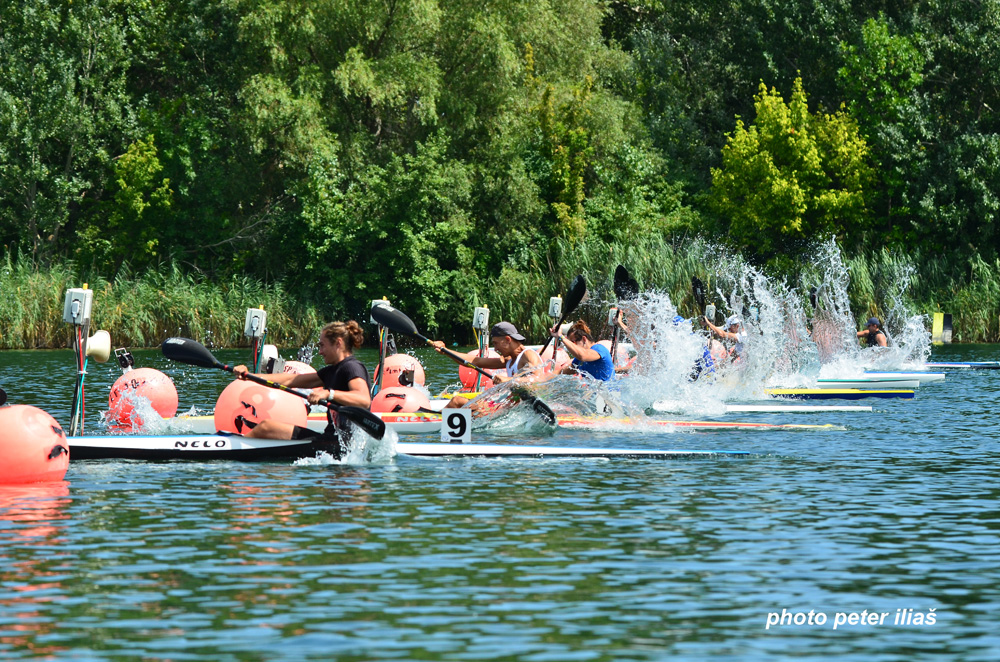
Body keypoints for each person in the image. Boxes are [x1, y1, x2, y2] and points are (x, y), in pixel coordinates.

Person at [232, 320, 371, 456]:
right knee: (266, 427)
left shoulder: (351, 367)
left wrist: (328, 394)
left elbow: (363, 399)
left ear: (338, 343)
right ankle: (237, 445)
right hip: (332, 440)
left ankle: (233, 450)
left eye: (322, 345)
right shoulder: (330, 371)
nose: (320, 352)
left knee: (266, 427)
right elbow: (290, 380)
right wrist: (249, 376)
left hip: (343, 445)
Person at [431, 321, 542, 407]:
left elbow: (538, 380)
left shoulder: (528, 355)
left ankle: (436, 418)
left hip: (520, 408)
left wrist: (508, 380)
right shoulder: (509, 359)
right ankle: (438, 416)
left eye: (496, 343)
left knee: (457, 401)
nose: (496, 349)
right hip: (509, 406)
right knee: (457, 401)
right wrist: (446, 351)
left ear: (508, 339)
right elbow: (476, 361)